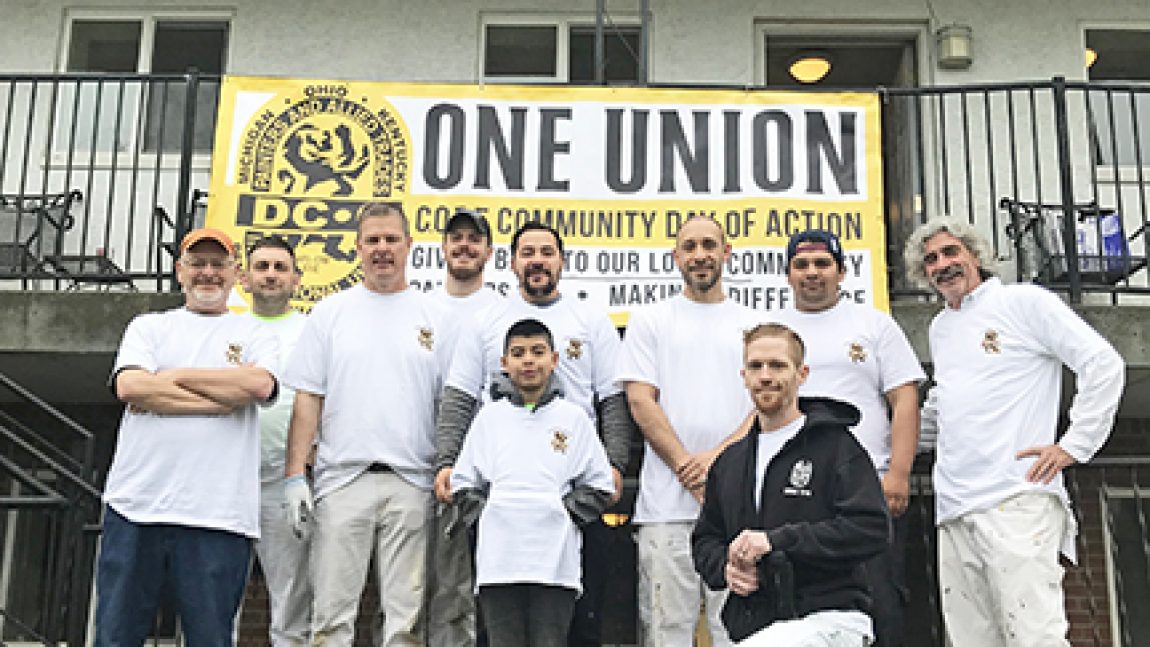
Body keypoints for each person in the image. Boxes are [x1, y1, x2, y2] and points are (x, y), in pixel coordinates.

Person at [903, 217, 1125, 646]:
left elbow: (1103, 363)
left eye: (952, 252)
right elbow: (941, 410)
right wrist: (886, 449)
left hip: (1016, 497)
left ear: (976, 256)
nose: (942, 264)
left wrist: (1074, 445)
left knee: (1034, 635)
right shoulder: (940, 328)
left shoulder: (1023, 301)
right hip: (954, 507)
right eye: (931, 259)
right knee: (973, 639)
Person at [436, 221, 632, 645]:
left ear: (562, 261)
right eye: (528, 253)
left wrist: (614, 463)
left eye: (547, 252)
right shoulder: (487, 320)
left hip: (574, 488)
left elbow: (612, 400)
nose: (538, 261)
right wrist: (448, 463)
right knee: (498, 626)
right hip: (502, 505)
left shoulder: (589, 319)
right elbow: (459, 397)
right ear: (512, 262)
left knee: (579, 620)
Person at [94, 228, 278, 645]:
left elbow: (258, 387)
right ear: (180, 271)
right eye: (198, 264)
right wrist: (218, 401)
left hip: (218, 515)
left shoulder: (255, 333)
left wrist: (170, 378)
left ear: (235, 274)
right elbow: (130, 388)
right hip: (137, 507)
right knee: (115, 636)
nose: (208, 273)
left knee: (211, 639)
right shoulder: (149, 327)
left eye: (218, 264)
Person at [282, 202, 453, 646]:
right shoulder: (330, 313)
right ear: (357, 247)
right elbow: (308, 399)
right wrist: (295, 476)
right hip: (342, 483)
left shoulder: (437, 316)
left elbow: (450, 405)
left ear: (410, 246)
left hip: (412, 483)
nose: (382, 249)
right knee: (331, 619)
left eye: (391, 239)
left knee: (405, 624)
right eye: (372, 240)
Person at [771, 229, 924, 647]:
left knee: (881, 601)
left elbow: (904, 399)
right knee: (802, 609)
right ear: (787, 275)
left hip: (867, 485)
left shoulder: (874, 324)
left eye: (822, 264)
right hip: (794, 489)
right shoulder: (773, 332)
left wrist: (899, 472)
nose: (812, 273)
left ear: (841, 271)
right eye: (801, 265)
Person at [692, 323, 889, 646]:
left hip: (831, 617)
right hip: (753, 624)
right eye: (756, 366)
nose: (766, 376)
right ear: (743, 376)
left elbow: (871, 529)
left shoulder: (836, 446)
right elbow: (705, 540)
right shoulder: (730, 463)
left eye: (778, 365)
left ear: (802, 373)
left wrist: (776, 541)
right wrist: (726, 567)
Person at [617, 215, 758, 646]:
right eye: (690, 247)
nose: (700, 255)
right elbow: (640, 400)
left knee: (735, 631)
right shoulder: (651, 319)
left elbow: (768, 404)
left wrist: (715, 466)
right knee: (666, 632)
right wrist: (686, 467)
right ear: (676, 256)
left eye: (709, 245)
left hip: (738, 508)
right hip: (666, 510)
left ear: (727, 252)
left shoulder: (754, 322)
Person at [451, 318, 615, 647]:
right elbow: (462, 482)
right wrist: (490, 514)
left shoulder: (573, 418)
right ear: (504, 363)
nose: (528, 361)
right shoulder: (489, 419)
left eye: (538, 352)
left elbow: (601, 484)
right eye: (519, 353)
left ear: (554, 360)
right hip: (499, 562)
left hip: (554, 562)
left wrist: (562, 511)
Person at [428, 208, 502, 647]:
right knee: (422, 589)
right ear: (443, 248)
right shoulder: (421, 306)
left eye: (474, 239)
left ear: (489, 252)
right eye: (456, 237)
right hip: (419, 464)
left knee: (470, 589)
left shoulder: (500, 312)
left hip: (479, 473)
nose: (464, 245)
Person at [240, 235, 310, 646]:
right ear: (245, 278)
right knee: (216, 601)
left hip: (287, 482)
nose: (270, 275)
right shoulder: (228, 328)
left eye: (280, 268)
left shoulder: (312, 330)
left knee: (292, 606)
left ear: (296, 279)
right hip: (228, 484)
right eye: (262, 267)